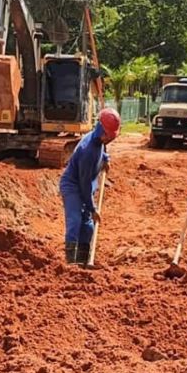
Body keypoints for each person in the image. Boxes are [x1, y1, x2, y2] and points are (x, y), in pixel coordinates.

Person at [59, 108, 121, 265]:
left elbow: (102, 151)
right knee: (75, 221)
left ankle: (83, 261)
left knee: (88, 226)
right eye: (108, 135)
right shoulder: (87, 151)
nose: (110, 139)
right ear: (101, 129)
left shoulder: (99, 141)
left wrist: (105, 159)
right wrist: (93, 209)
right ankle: (71, 263)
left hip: (86, 185)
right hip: (73, 186)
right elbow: (84, 185)